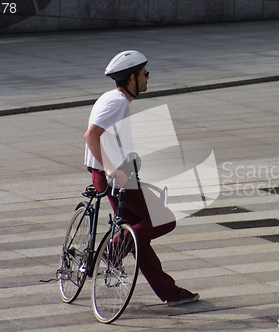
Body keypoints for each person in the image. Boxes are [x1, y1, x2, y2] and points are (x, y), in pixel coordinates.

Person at [84, 50, 199, 306]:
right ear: (132, 78)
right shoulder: (118, 102)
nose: (149, 76)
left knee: (139, 238)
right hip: (115, 178)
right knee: (165, 219)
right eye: (145, 73)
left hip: (114, 175)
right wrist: (112, 169)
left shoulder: (112, 98)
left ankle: (169, 292)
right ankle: (113, 249)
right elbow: (91, 136)